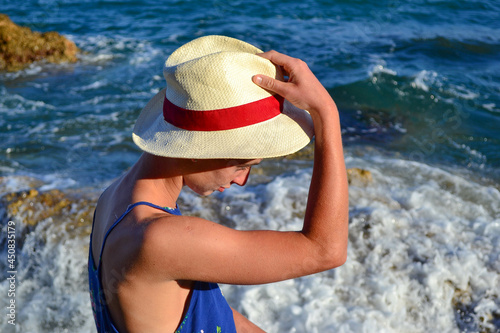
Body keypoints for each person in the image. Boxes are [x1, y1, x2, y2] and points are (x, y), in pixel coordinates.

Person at [88, 35, 348, 333]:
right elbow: (326, 250)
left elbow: (199, 309)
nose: (242, 180)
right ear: (198, 150)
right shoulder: (163, 238)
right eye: (241, 165)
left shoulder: (113, 199)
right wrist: (327, 114)